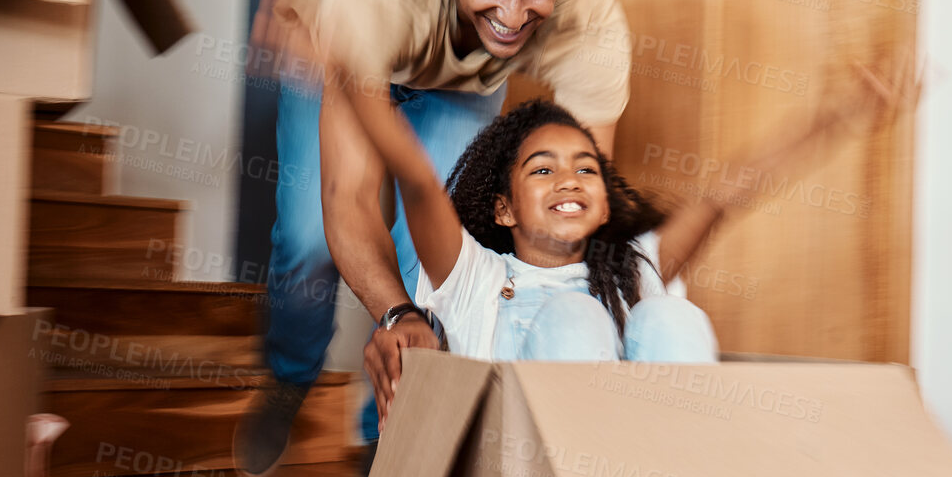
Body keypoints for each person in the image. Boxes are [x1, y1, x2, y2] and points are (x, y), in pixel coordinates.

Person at [234, 0, 632, 477]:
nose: (513, 14)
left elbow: (580, 214)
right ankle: (289, 375)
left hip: (458, 81)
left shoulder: (593, 23)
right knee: (309, 240)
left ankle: (389, 436)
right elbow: (351, 198)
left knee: (450, 249)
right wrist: (397, 314)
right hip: (336, 45)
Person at [332, 68, 905, 364]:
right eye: (542, 170)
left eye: (586, 170)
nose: (568, 181)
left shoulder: (634, 269)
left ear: (604, 202)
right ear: (502, 208)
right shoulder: (473, 276)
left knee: (671, 319)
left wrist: (836, 116)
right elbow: (416, 179)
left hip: (631, 468)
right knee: (575, 320)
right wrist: (348, 74)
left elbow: (726, 194)